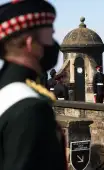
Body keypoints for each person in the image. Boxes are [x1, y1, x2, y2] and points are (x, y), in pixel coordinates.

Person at [0, 1, 67, 170]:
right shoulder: (31, 109)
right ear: (30, 44)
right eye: (50, 36)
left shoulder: (6, 91)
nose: (53, 44)